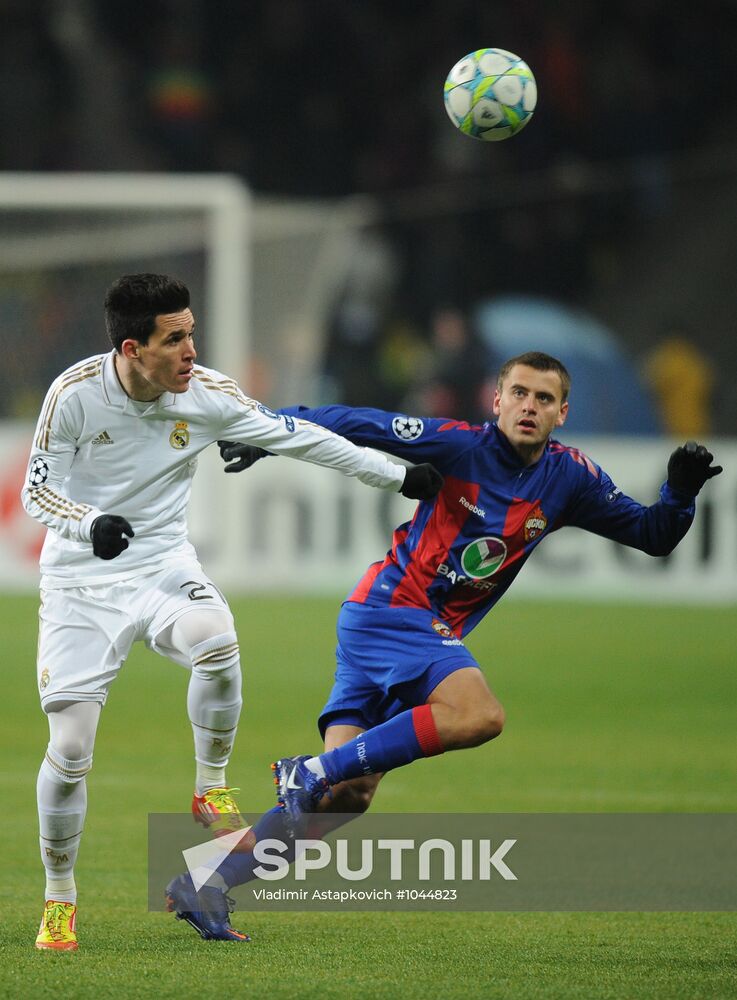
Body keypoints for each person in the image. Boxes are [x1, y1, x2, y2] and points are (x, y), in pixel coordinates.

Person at [166, 349, 722, 942]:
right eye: (519, 394)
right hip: (392, 613)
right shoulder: (460, 447)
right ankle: (308, 768)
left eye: (543, 399)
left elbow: (652, 536)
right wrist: (270, 431)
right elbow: (359, 423)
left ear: (563, 412)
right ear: (497, 400)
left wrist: (680, 493)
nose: (528, 407)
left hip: (398, 627)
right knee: (479, 715)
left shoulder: (570, 478)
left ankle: (207, 884)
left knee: (347, 796)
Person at [22, 273, 442, 952]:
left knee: (216, 638)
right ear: (132, 347)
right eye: (175, 337)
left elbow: (298, 437)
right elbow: (37, 490)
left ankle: (209, 787)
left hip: (162, 564)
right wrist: (90, 522)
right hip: (80, 583)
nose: (193, 348)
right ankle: (60, 898)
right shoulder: (74, 395)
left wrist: (396, 476)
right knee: (70, 750)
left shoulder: (207, 393)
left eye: (192, 331)